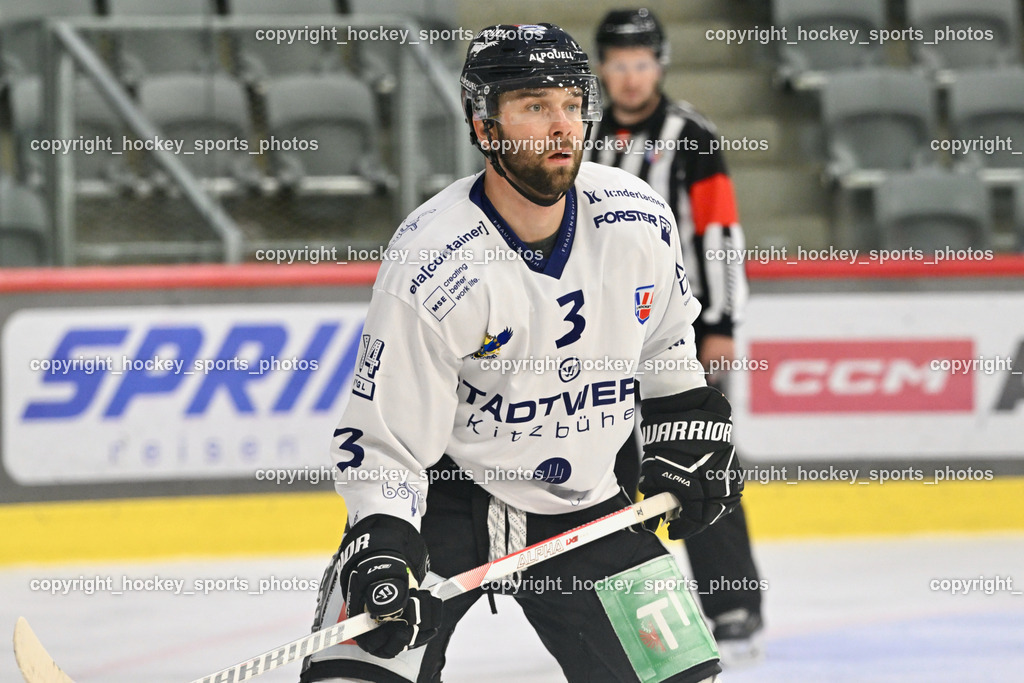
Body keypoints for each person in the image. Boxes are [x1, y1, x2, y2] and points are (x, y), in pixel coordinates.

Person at [301, 23, 745, 683]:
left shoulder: (638, 220)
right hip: (447, 504)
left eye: (571, 104)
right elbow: (384, 440)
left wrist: (688, 426)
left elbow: (666, 355)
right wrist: (384, 541)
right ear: (484, 126)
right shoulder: (432, 258)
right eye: (535, 106)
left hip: (591, 506)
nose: (562, 125)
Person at [586, 8, 763, 664]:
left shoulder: (691, 135)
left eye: (642, 63)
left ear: (659, 64)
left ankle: (733, 602)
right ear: (602, 68)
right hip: (604, 334)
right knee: (609, 465)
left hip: (681, 329)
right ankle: (626, 610)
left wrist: (719, 324)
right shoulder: (583, 133)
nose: (630, 78)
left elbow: (718, 233)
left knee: (701, 455)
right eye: (618, 64)